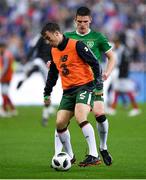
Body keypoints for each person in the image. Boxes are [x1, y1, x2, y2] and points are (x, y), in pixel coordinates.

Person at [54, 6, 115, 166]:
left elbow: (111, 57)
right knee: (65, 119)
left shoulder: (98, 37)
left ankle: (103, 147)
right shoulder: (68, 36)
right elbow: (59, 54)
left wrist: (107, 72)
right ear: (75, 20)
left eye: (85, 21)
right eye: (79, 21)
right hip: (75, 84)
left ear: (90, 20)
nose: (82, 24)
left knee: (99, 114)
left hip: (94, 81)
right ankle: (64, 154)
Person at [41, 22, 103, 167]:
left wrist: (98, 85)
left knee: (80, 115)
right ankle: (70, 155)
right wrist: (47, 93)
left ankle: (93, 155)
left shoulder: (77, 45)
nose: (48, 42)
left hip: (85, 86)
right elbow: (53, 74)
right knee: (59, 123)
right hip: (68, 91)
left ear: (57, 33)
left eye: (49, 38)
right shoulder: (54, 51)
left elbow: (95, 63)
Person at [16, 34, 55, 125]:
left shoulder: (45, 38)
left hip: (47, 65)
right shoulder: (44, 37)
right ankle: (46, 114)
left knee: (47, 90)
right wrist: (27, 57)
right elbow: (34, 48)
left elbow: (33, 48)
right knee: (36, 65)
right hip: (43, 62)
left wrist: (27, 58)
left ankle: (47, 111)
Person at [107, 36, 141, 116]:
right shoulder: (121, 50)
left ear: (118, 43)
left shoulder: (124, 50)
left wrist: (122, 74)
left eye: (115, 44)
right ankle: (112, 108)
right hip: (121, 74)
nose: (115, 45)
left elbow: (125, 63)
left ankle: (136, 108)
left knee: (128, 91)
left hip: (123, 75)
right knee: (116, 90)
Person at [0, 41, 17, 117]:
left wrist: (1, 75)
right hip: (8, 76)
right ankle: (12, 109)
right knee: (5, 93)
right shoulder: (8, 54)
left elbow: (5, 67)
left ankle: (4, 110)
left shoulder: (6, 55)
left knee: (4, 93)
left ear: (2, 48)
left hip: (6, 77)